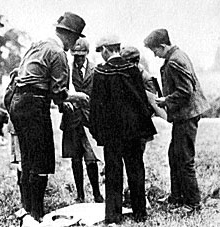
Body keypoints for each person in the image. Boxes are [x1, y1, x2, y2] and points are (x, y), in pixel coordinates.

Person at [8, 12, 88, 225]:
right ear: (70, 36)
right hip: (34, 106)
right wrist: (77, 97)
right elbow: (58, 91)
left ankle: (26, 209)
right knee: (42, 161)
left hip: (18, 102)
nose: (75, 43)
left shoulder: (38, 44)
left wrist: (62, 100)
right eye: (76, 37)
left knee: (27, 158)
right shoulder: (58, 53)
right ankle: (37, 214)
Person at [89, 35, 157, 224]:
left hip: (112, 133)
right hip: (134, 130)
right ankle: (140, 213)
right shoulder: (133, 70)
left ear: (105, 50)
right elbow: (141, 100)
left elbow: (96, 106)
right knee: (136, 170)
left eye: (101, 51)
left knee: (113, 172)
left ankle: (113, 216)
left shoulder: (101, 72)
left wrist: (96, 130)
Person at [144, 28, 210, 213]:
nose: (155, 55)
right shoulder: (177, 55)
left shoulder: (174, 61)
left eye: (155, 51)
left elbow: (185, 91)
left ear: (163, 46)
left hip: (187, 115)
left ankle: (192, 203)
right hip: (184, 115)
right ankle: (177, 196)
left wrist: (166, 100)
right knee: (174, 155)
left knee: (184, 159)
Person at [59, 38, 104, 203]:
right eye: (75, 55)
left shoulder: (96, 70)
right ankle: (80, 195)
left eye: (81, 55)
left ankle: (97, 194)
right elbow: (58, 92)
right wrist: (64, 104)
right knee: (75, 158)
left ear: (87, 54)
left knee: (91, 158)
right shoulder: (65, 69)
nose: (78, 58)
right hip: (71, 120)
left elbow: (100, 96)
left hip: (89, 120)